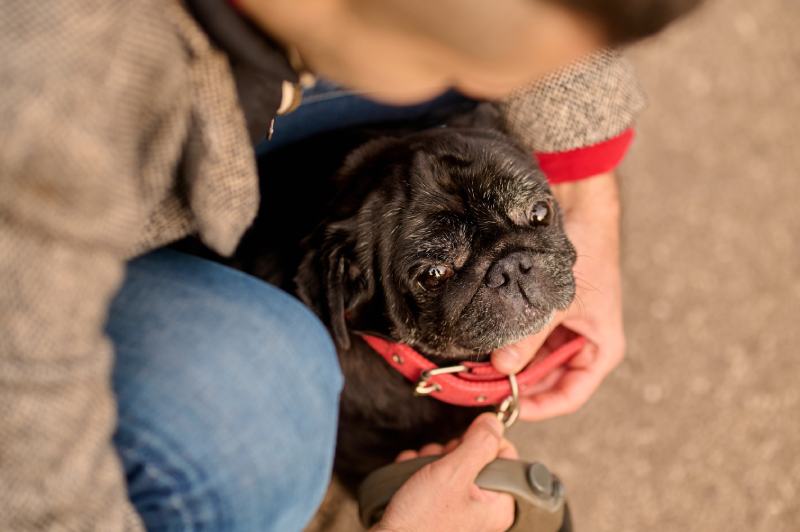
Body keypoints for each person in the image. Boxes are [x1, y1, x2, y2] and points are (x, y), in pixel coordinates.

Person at [0, 0, 701, 530]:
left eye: (533, 214)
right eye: (436, 271)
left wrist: (584, 185)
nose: (514, 270)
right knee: (247, 422)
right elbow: (34, 461)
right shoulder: (56, 105)